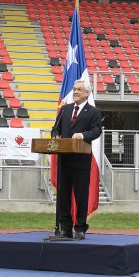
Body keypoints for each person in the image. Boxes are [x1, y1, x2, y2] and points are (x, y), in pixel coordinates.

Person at [48, 80, 102, 241]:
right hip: (64, 160)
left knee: (80, 196)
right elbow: (55, 128)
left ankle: (80, 228)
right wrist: (55, 136)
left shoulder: (93, 112)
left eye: (79, 89)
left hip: (81, 161)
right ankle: (65, 228)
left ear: (87, 93)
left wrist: (82, 135)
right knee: (63, 196)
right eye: (74, 89)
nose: (75, 92)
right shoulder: (65, 109)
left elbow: (96, 131)